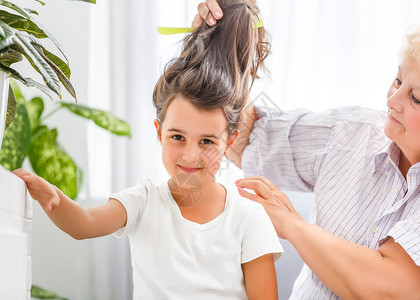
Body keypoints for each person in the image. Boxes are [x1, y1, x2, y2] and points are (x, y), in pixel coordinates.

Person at [13, 1, 284, 299]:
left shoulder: (249, 219)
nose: (191, 155)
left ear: (228, 144)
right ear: (159, 133)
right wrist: (55, 198)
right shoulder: (143, 202)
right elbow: (84, 224)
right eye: (177, 137)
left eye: (207, 141)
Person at [195, 2, 420, 299]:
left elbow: (388, 289)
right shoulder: (352, 132)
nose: (393, 100)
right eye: (398, 80)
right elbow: (244, 138)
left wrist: (292, 226)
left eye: (416, 98)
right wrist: (221, 46)